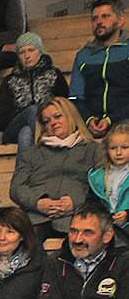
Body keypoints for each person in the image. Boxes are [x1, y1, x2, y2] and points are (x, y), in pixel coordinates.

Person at [11, 98, 102, 238]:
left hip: (76, 216)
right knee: (25, 242)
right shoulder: (32, 153)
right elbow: (16, 188)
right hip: (36, 217)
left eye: (58, 116)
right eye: (46, 121)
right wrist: (37, 202)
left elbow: (101, 187)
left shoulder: (93, 149)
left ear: (71, 115)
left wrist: (75, 201)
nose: (53, 123)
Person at [0, 32, 67, 150]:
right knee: (33, 110)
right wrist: (24, 114)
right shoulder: (10, 81)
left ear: (40, 51)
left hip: (51, 125)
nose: (27, 55)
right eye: (22, 52)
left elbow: (65, 105)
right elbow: (1, 122)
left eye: (31, 50)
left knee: (25, 134)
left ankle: (25, 168)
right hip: (13, 130)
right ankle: (47, 143)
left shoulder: (54, 74)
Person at [72, 0, 127, 139]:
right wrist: (89, 119)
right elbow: (75, 97)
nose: (99, 22)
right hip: (90, 125)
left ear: (121, 20)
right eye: (94, 19)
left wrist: (110, 119)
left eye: (105, 16)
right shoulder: (83, 56)